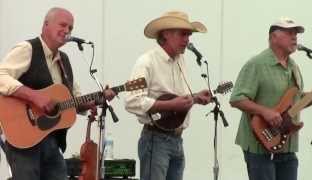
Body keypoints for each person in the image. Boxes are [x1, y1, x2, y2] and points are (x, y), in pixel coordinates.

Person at [0, 7, 116, 180]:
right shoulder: (28, 49)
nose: (67, 31)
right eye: (63, 25)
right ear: (46, 25)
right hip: (23, 140)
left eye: (70, 28)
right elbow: (2, 76)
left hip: (52, 141)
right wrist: (35, 96)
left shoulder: (64, 61)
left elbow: (73, 101)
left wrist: (95, 100)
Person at [124, 11, 212, 180]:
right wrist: (171, 105)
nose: (187, 39)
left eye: (189, 35)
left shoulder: (181, 60)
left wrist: (195, 98)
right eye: (183, 34)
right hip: (155, 140)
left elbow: (177, 101)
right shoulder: (147, 61)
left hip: (177, 140)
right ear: (165, 34)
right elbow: (132, 101)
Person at [230, 17, 312, 180]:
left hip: (288, 146)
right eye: (290, 33)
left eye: (296, 34)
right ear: (273, 37)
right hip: (260, 147)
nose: (295, 37)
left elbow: (297, 101)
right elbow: (236, 98)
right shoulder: (257, 64)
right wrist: (265, 112)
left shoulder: (294, 67)